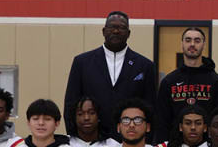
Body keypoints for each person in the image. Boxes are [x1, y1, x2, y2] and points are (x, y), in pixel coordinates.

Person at [63, 11, 157, 139]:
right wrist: (74, 138)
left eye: (122, 27)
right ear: (103, 31)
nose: (116, 31)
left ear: (129, 33)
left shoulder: (145, 65)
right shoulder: (82, 63)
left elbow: (150, 108)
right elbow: (71, 104)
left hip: (130, 142)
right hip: (91, 141)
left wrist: (147, 141)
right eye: (112, 27)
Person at [155, 26, 218, 144]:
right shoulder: (169, 81)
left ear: (204, 44)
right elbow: (161, 120)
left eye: (197, 40)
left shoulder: (216, 81)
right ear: (182, 44)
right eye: (188, 40)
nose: (192, 44)